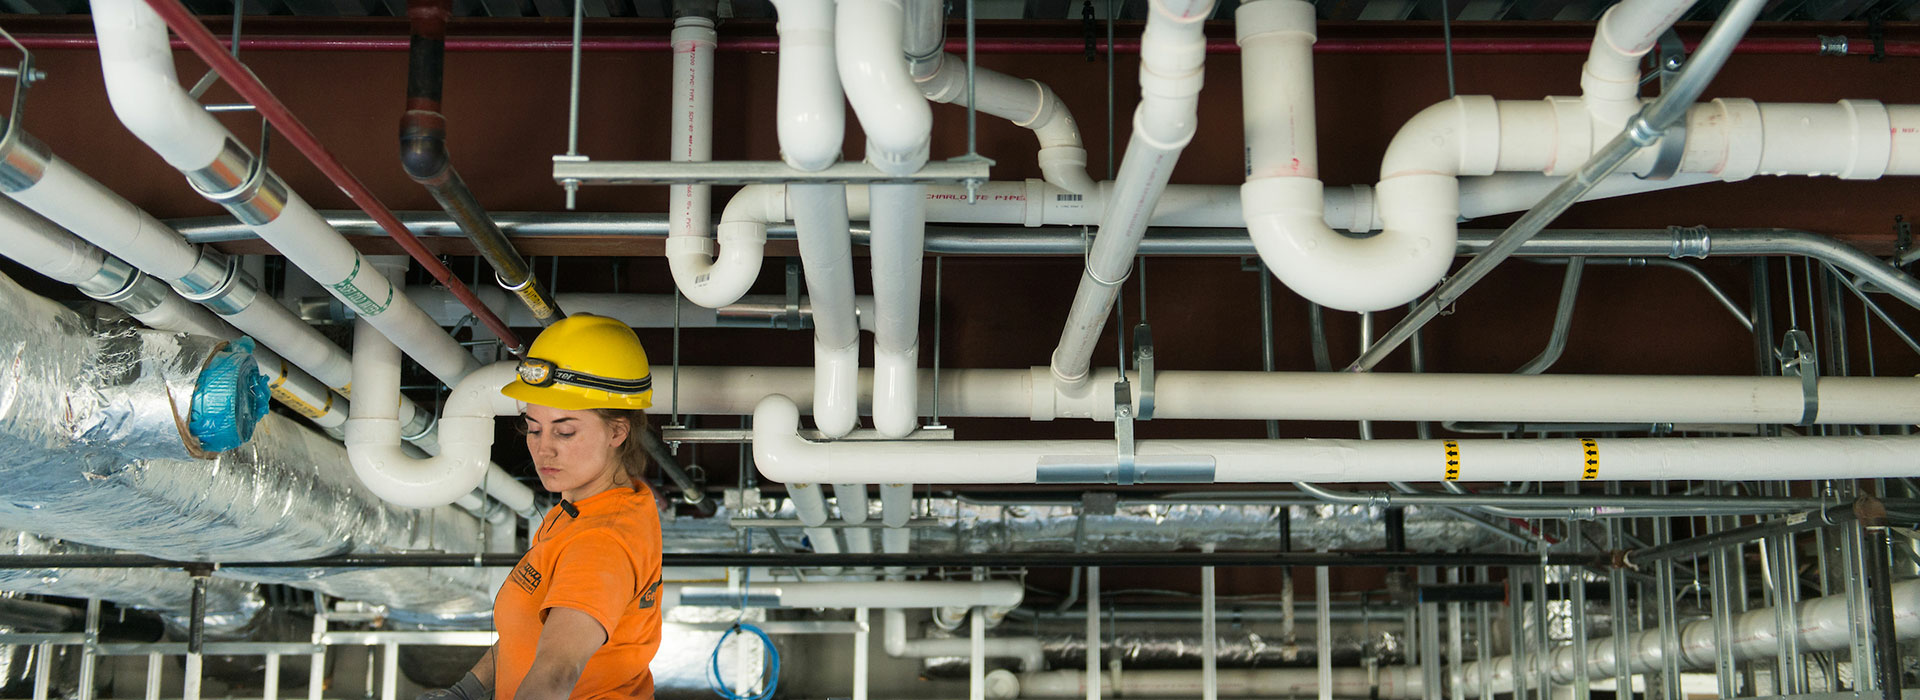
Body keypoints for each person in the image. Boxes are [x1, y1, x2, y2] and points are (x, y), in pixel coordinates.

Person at [420, 314, 666, 700]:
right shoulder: (584, 506)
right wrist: (466, 692)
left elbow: (556, 673)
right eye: (533, 427)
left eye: (565, 431)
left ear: (617, 431)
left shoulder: (602, 540)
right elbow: (530, 632)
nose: (542, 447)